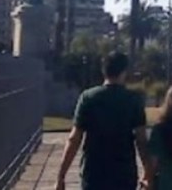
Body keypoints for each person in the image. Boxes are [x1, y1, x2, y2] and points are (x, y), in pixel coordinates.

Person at [57, 53, 151, 190]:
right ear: (124, 72)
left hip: (93, 173)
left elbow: (74, 138)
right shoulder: (133, 100)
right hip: (124, 174)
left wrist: (61, 176)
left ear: (103, 71)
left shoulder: (88, 98)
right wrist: (148, 173)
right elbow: (141, 140)